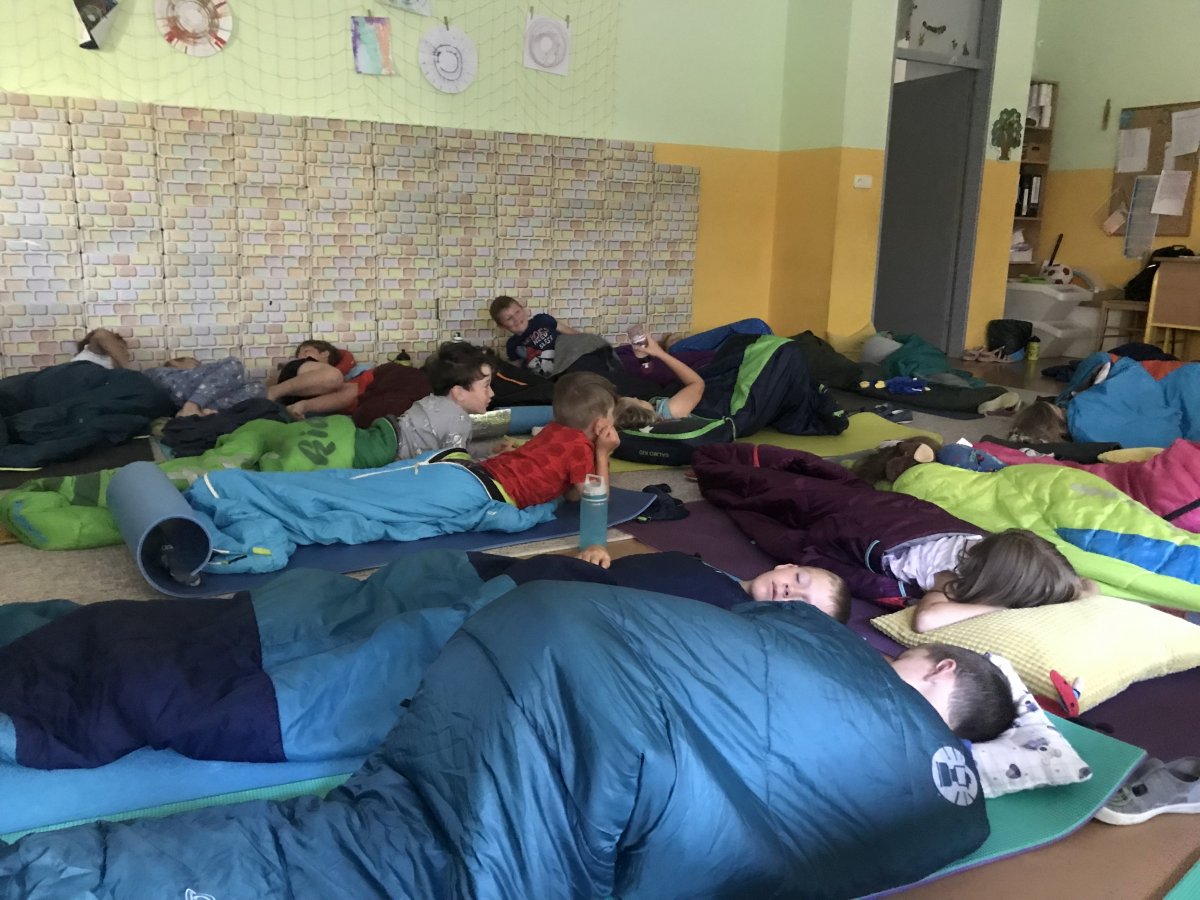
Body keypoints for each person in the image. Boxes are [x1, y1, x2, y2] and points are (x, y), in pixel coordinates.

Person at [183, 372, 622, 574]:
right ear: (601, 422)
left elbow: (557, 481)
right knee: (352, 498)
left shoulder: (554, 432)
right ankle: (225, 487)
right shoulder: (582, 447)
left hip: (458, 471)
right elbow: (587, 498)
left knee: (352, 489)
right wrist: (603, 453)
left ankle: (233, 488)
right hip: (467, 488)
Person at [692, 443, 1091, 633]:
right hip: (878, 518)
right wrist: (1005, 607)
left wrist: (1071, 592)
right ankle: (713, 463)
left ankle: (722, 477)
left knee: (765, 517)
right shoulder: (957, 578)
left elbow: (1086, 587)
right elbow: (928, 619)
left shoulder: (976, 570)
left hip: (867, 532)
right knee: (778, 489)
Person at [576, 545, 852, 623]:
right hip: (586, 576)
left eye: (800, 603)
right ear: (787, 567)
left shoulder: (734, 619)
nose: (791, 590)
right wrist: (599, 556)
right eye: (799, 579)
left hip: (584, 611)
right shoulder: (713, 571)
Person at [612, 331, 706, 428]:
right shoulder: (671, 412)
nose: (636, 397)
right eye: (639, 401)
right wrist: (659, 353)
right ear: (645, 416)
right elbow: (697, 383)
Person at [268, 340, 374, 418]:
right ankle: (274, 391)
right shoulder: (302, 364)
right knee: (334, 377)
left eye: (306, 351)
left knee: (355, 390)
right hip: (293, 382)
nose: (300, 355)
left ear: (325, 353)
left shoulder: (341, 374)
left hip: (311, 401)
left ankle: (301, 407)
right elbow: (274, 379)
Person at [142, 356, 267, 418]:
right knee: (234, 363)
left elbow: (257, 389)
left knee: (257, 388)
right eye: (197, 365)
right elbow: (233, 364)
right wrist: (194, 403)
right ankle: (192, 406)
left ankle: (195, 410)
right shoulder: (160, 373)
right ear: (175, 362)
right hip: (184, 402)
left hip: (179, 408)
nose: (200, 367)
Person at [490, 294, 579, 377]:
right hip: (549, 379)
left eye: (517, 312)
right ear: (502, 326)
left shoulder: (541, 320)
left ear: (523, 309)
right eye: (509, 318)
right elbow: (517, 372)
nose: (516, 318)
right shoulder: (512, 345)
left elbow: (574, 334)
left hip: (571, 364)